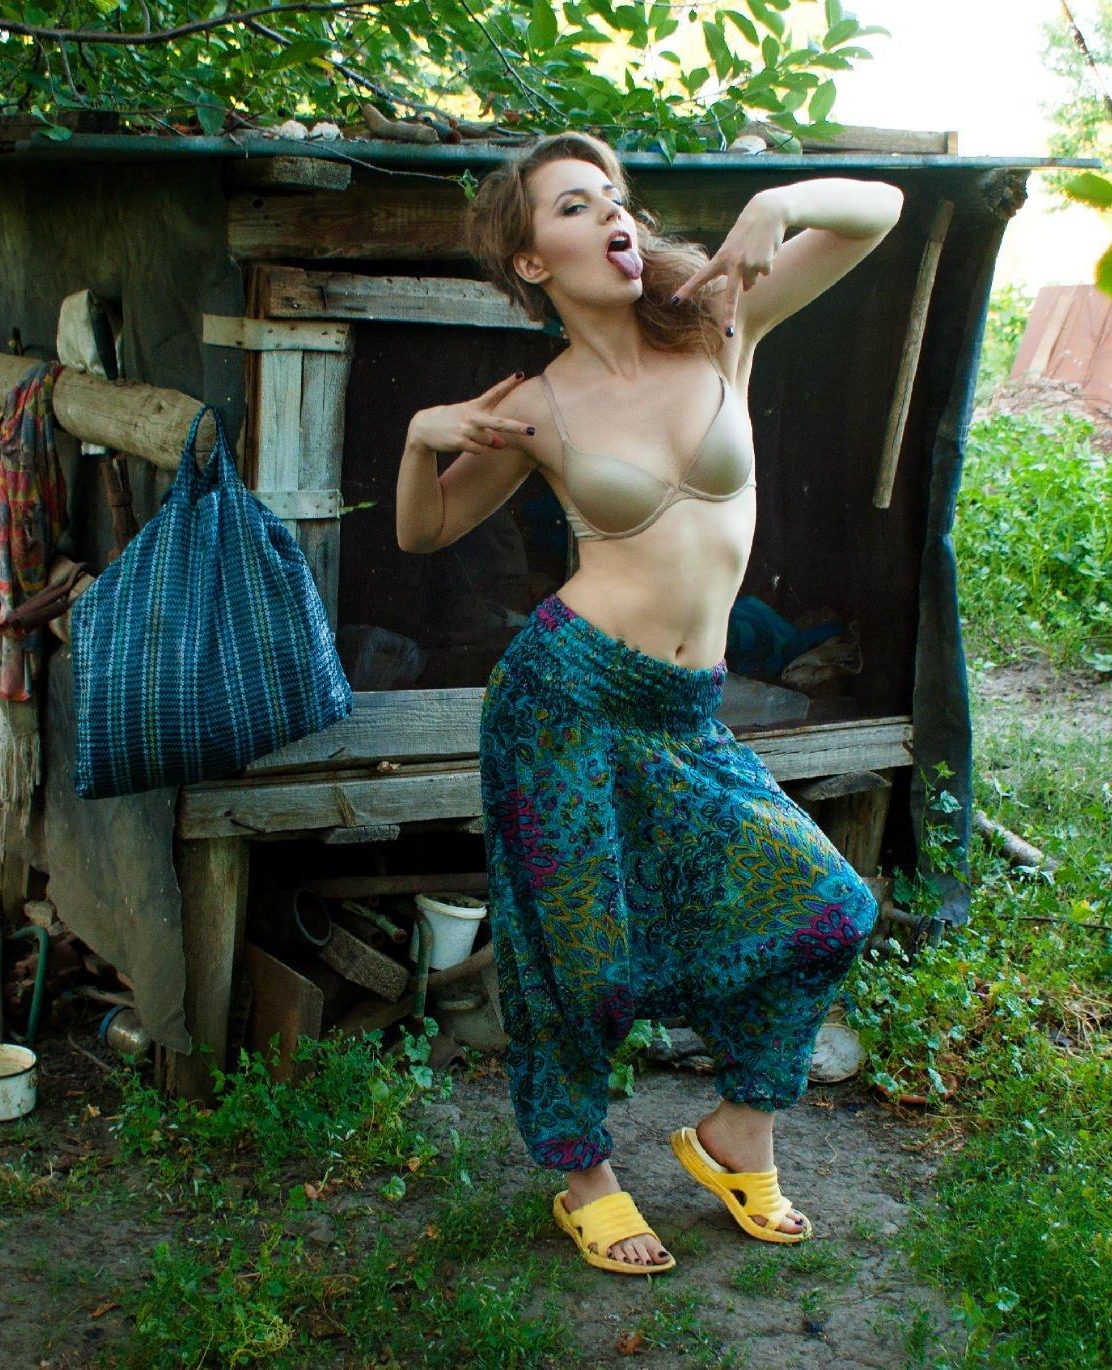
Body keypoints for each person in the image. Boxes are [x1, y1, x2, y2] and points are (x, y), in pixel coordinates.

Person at [395, 130, 905, 1275]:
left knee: (828, 905)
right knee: (576, 960)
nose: (612, 216)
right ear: (532, 261)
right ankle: (583, 1173)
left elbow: (877, 210)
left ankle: (734, 1132)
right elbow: (424, 529)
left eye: (614, 197)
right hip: (563, 697)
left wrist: (781, 199)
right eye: (575, 206)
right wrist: (420, 441)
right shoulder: (536, 405)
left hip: (682, 708)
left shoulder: (721, 318)